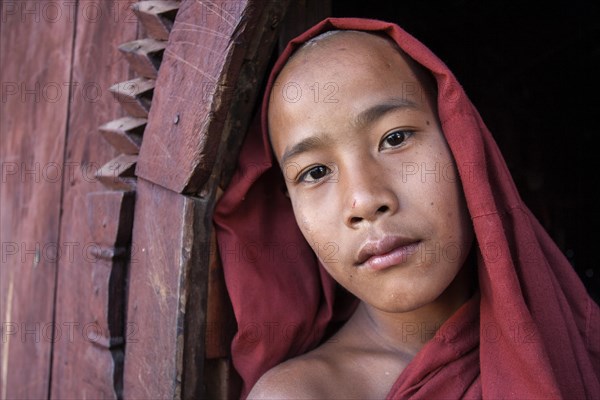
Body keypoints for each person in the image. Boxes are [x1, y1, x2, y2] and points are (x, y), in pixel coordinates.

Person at [214, 18, 600, 399]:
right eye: (315, 172)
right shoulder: (305, 395)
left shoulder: (572, 334)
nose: (365, 200)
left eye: (395, 138)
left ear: (462, 143)